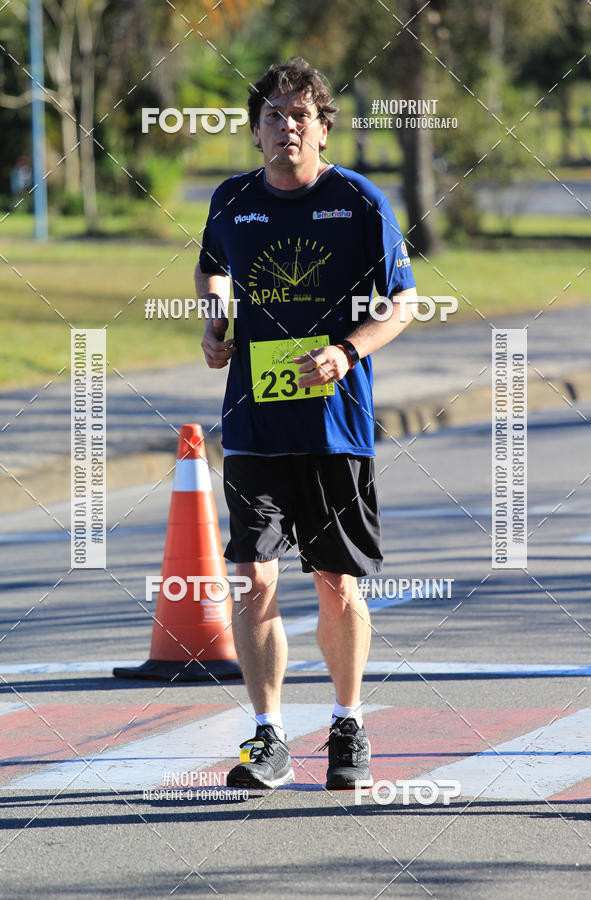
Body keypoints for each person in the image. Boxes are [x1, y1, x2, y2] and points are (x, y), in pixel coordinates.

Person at [195, 57, 417, 790]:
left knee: (334, 582)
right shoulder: (232, 200)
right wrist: (216, 320)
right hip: (254, 423)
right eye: (273, 116)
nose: (286, 127)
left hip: (334, 425)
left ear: (323, 129)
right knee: (253, 577)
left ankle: (348, 724)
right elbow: (211, 266)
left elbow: (403, 303)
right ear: (255, 132)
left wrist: (347, 352)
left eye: (301, 116)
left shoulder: (358, 201)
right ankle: (269, 737)